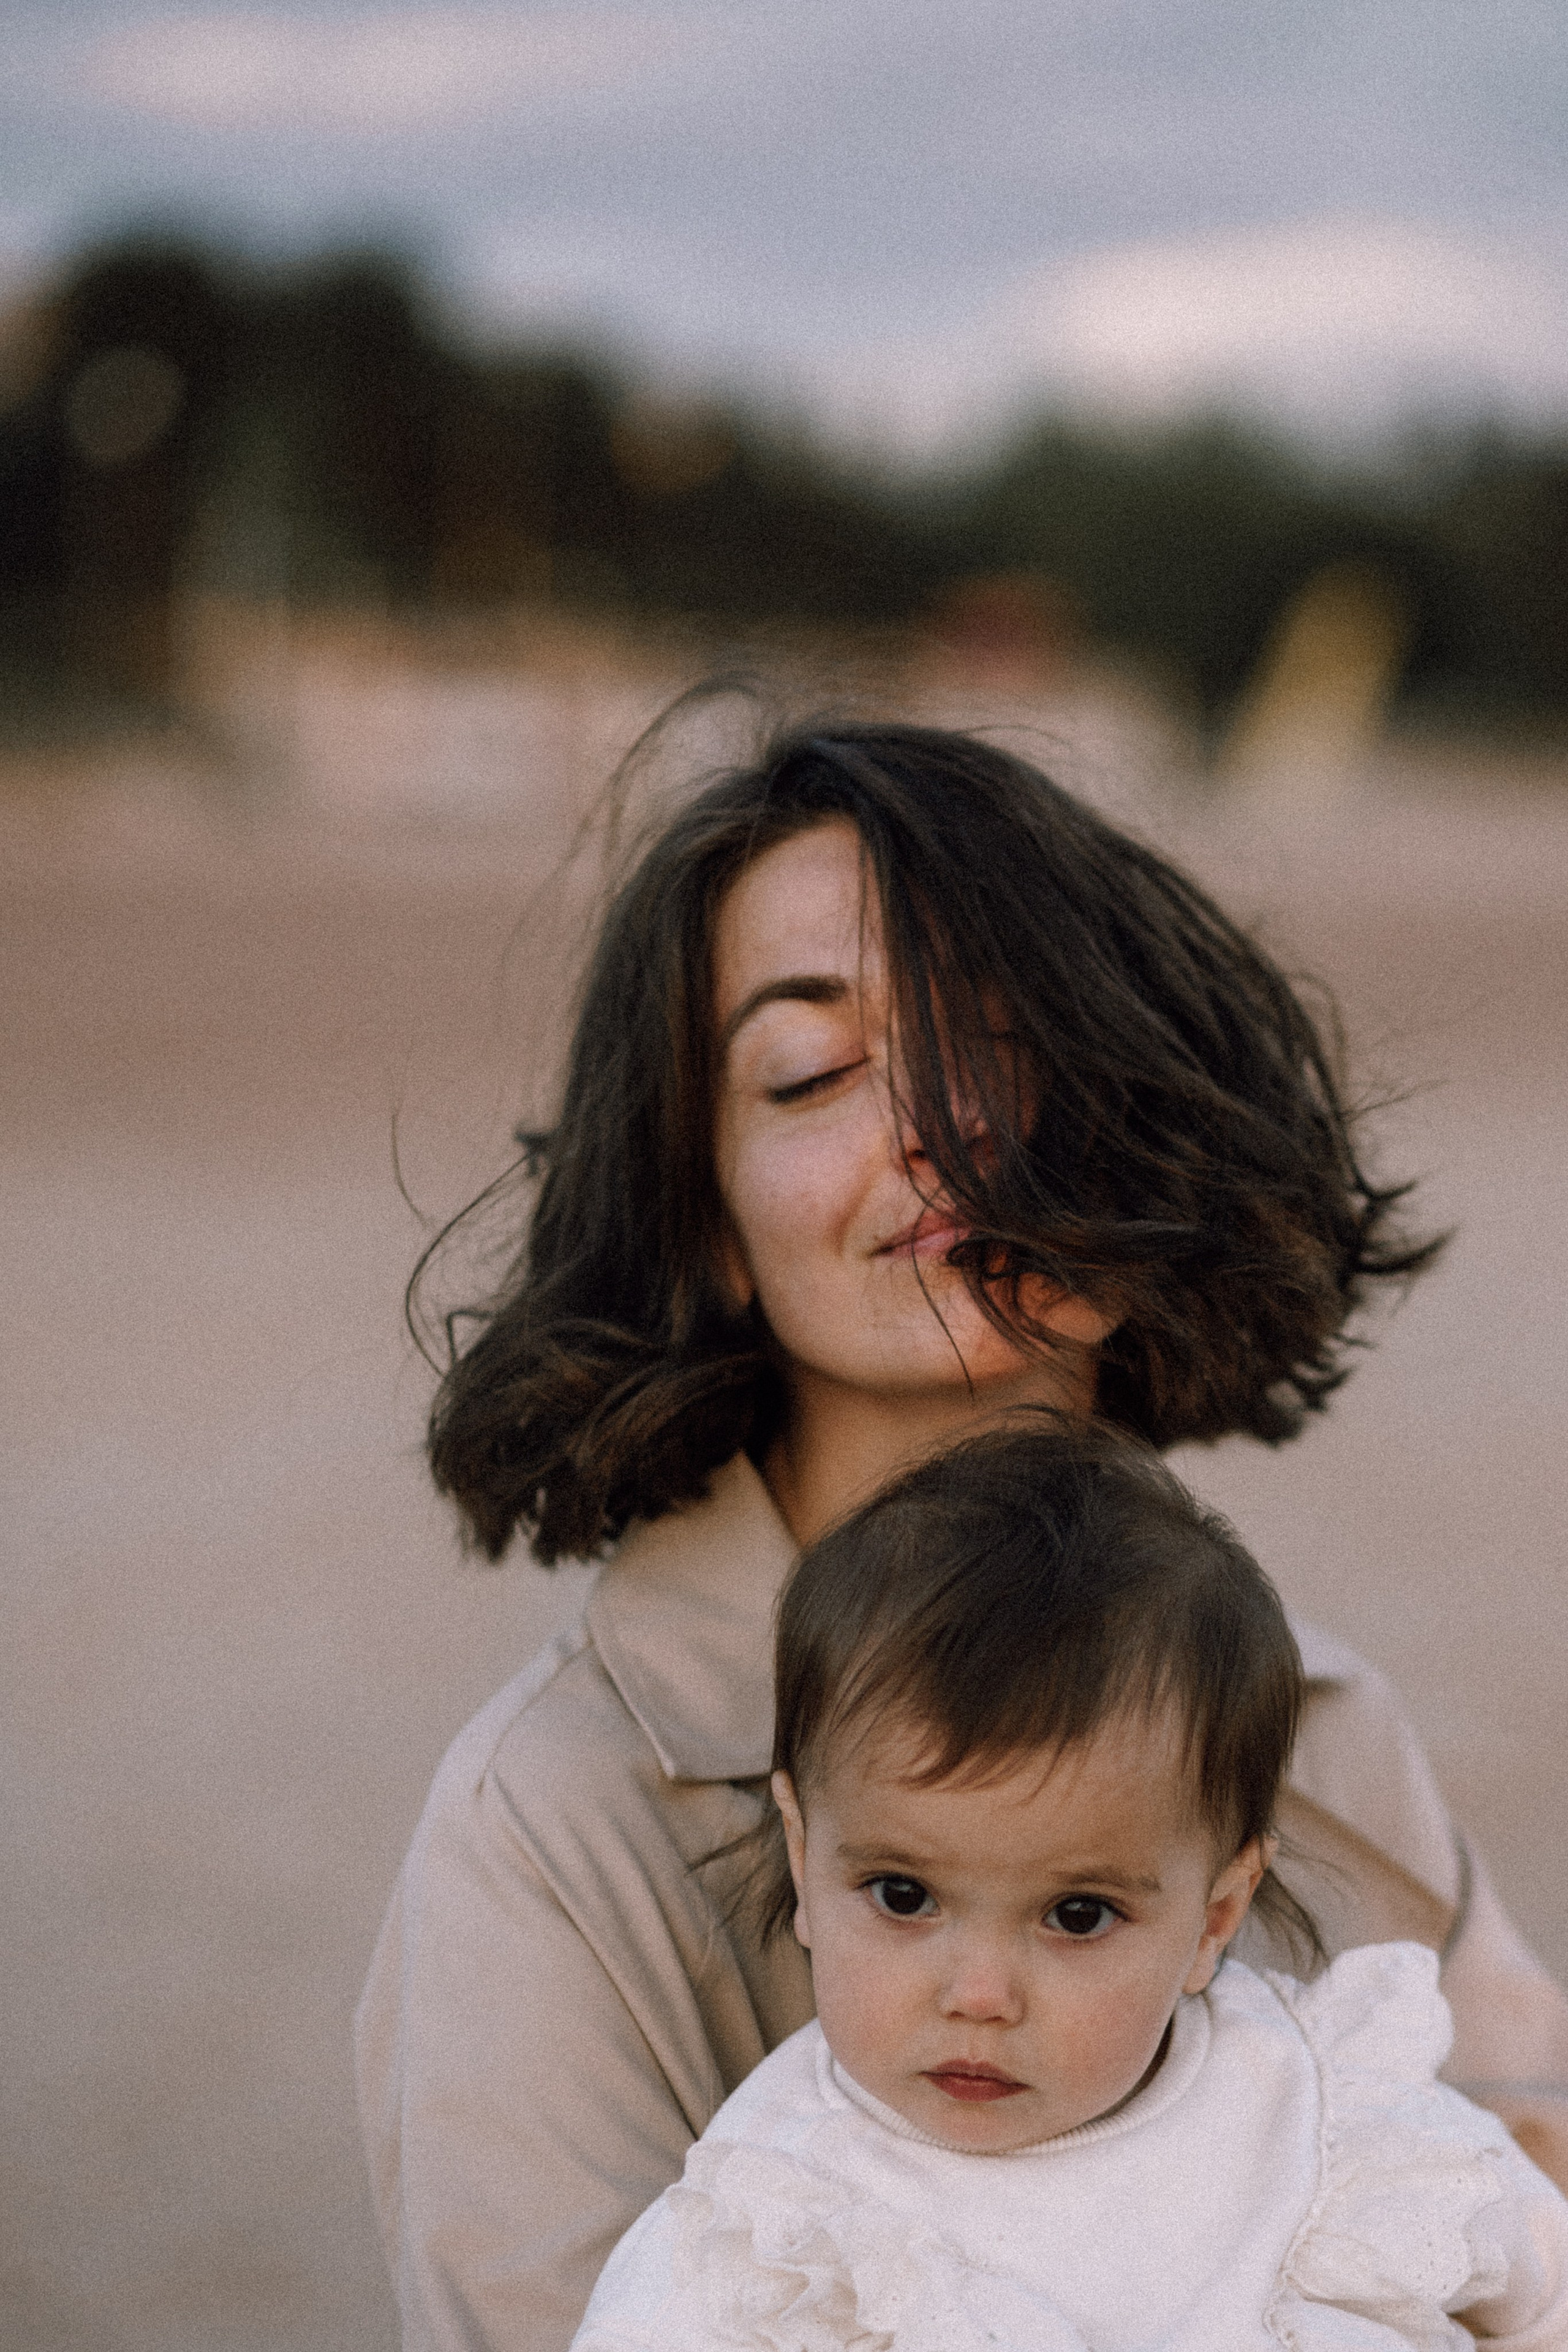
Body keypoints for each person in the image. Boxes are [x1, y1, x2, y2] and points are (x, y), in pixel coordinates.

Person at [354, 718, 1568, 2352]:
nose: (931, 1123)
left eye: (999, 1047)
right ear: (707, 1218)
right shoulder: (551, 1828)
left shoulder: (1320, 1721)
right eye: (813, 1072)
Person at [571, 1420, 1568, 2351]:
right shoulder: (769, 2229)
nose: (979, 1996)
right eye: (904, 1896)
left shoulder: (1313, 2108)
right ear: (802, 1857)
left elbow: (1545, 2290)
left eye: (1077, 1916)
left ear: (1216, 1917)